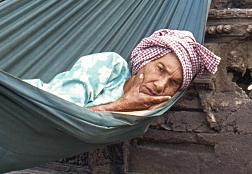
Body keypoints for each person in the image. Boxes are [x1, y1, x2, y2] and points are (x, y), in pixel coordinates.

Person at [24, 28, 220, 113]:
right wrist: (121, 105)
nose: (161, 85)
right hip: (19, 100)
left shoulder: (149, 108)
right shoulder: (110, 65)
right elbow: (57, 111)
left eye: (174, 83)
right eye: (160, 69)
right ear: (143, 62)